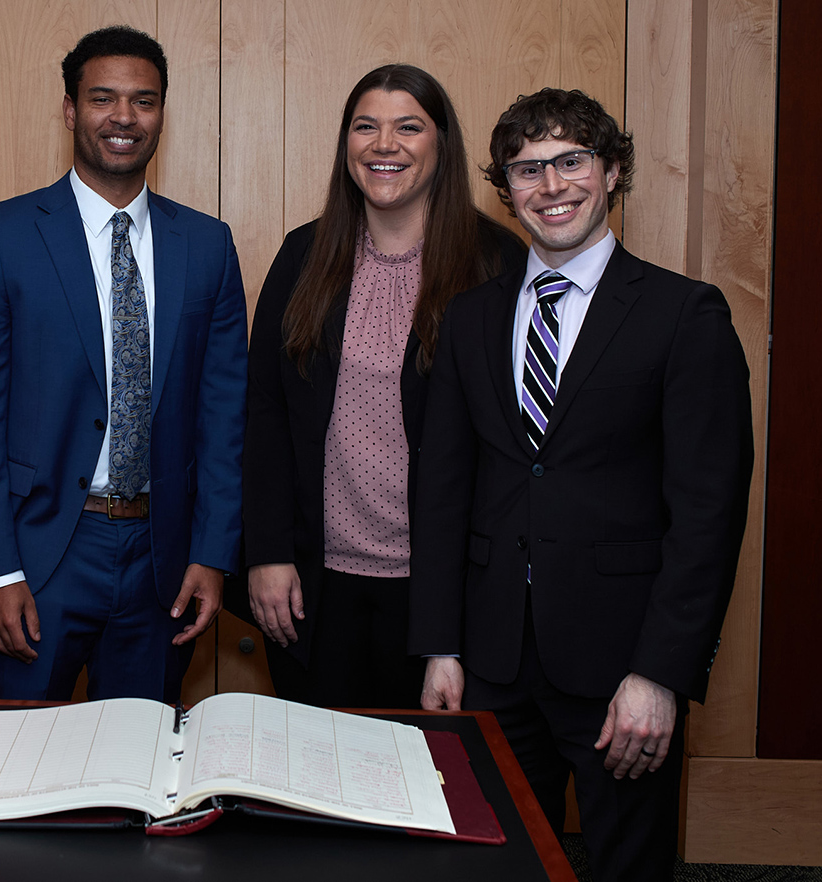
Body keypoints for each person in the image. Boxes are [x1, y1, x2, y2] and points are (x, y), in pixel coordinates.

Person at [410, 88, 753, 881]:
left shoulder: (683, 315)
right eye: (528, 170)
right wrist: (440, 644)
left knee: (627, 866)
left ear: (612, 171)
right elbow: (442, 492)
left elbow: (708, 514)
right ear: (505, 189)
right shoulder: (469, 318)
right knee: (486, 864)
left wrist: (662, 673)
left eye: (571, 161)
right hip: (489, 663)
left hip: (620, 666)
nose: (551, 186)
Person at [0, 26, 246, 703]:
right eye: (103, 98)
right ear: (69, 109)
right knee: (18, 773)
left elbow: (224, 416)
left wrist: (211, 552)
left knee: (135, 779)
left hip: (162, 558)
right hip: (41, 552)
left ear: (162, 113)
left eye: (143, 101)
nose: (123, 117)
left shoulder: (206, 245)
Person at [242, 64, 524, 707]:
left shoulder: (496, 265)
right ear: (346, 145)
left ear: (441, 145)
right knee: (313, 786)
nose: (384, 144)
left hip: (440, 589)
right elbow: (264, 414)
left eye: (408, 127)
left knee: (424, 786)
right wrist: (267, 551)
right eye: (365, 126)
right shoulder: (302, 256)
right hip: (313, 583)